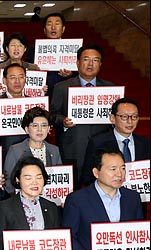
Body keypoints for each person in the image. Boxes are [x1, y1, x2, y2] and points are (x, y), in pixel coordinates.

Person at [81, 98, 151, 250]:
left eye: (134, 117)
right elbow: (86, 175)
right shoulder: (99, 141)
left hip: (133, 208)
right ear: (112, 118)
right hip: (102, 209)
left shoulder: (144, 143)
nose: (130, 121)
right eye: (124, 116)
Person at [50, 43, 113, 189]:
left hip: (100, 147)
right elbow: (52, 114)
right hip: (72, 147)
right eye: (86, 59)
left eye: (95, 60)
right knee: (74, 189)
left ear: (100, 64)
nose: (90, 64)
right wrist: (63, 121)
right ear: (78, 63)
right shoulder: (62, 87)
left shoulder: (110, 89)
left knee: (100, 189)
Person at [4, 107, 62, 195]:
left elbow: (60, 178)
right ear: (27, 129)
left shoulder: (54, 150)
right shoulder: (15, 150)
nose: (40, 129)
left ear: (49, 129)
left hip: (49, 199)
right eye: (35, 126)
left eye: (44, 125)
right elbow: (8, 181)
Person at [0, 63, 31, 155]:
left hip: (29, 152)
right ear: (4, 81)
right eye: (12, 78)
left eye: (21, 77)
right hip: (6, 152)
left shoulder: (33, 103)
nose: (17, 81)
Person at [0, 33, 41, 97]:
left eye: (20, 45)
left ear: (25, 49)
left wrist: (42, 90)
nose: (16, 49)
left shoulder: (33, 68)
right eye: (13, 45)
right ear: (7, 48)